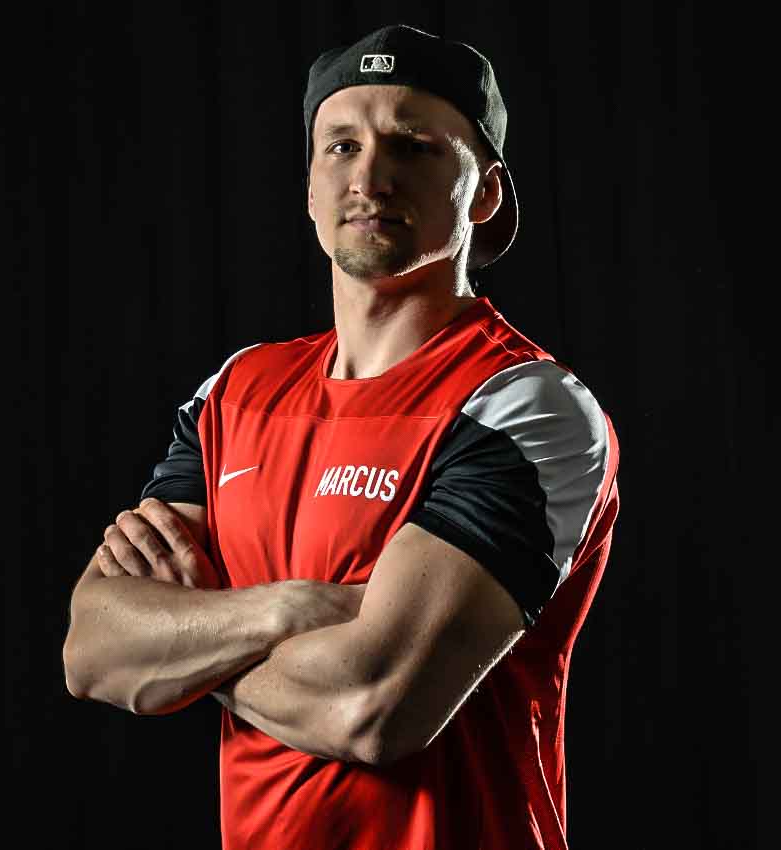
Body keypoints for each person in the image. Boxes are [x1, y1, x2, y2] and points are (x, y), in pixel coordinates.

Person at [63, 23, 620, 850]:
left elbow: (372, 707)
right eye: (342, 145)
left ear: (485, 194)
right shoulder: (236, 393)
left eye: (414, 147)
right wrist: (291, 608)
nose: (369, 177)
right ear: (310, 189)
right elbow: (93, 650)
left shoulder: (523, 405)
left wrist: (186, 644)